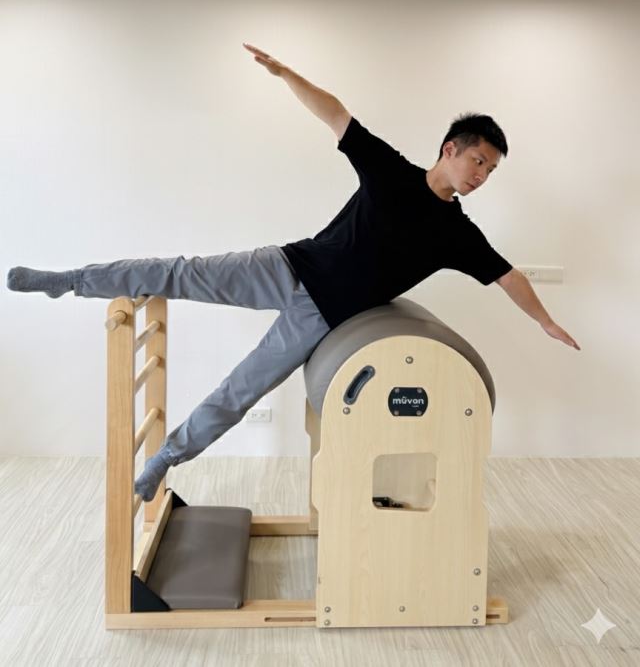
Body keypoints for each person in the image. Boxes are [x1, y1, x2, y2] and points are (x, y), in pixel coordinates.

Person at [7, 43, 580, 501]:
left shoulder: (458, 234)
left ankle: (166, 458)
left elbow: (509, 276)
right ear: (451, 149)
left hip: (322, 315)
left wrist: (546, 321)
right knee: (177, 271)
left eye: (491, 170)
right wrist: (285, 74)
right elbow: (336, 114)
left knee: (241, 388)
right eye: (479, 160)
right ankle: (69, 281)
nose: (482, 175)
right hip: (286, 265)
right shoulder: (392, 171)